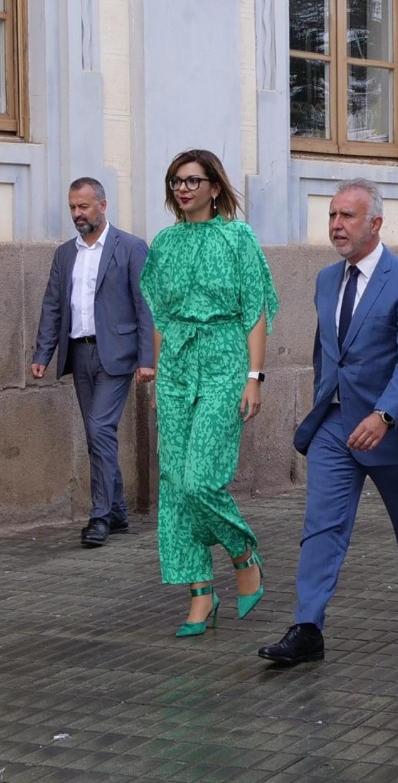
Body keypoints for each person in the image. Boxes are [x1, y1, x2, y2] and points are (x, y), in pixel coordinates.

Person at [258, 180, 398, 665]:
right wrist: (325, 403)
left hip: (390, 425)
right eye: (332, 216)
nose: (337, 226)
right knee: (322, 522)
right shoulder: (327, 278)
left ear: (376, 224)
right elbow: (329, 353)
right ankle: (307, 627)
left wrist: (384, 414)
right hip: (334, 424)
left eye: (347, 217)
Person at [140, 149, 280, 636]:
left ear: (214, 188)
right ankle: (200, 593)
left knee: (201, 478)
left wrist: (254, 376)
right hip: (177, 364)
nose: (184, 188)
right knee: (175, 483)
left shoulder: (237, 237)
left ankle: (244, 553)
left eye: (194, 181)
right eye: (177, 181)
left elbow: (255, 308)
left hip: (225, 359)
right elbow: (159, 314)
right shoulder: (164, 242)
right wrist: (160, 373)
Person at [31, 177, 155, 547]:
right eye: (72, 207)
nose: (77, 214)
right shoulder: (65, 254)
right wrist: (43, 353)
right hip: (78, 352)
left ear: (103, 205)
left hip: (117, 355)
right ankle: (116, 511)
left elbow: (145, 304)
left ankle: (99, 517)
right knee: (96, 435)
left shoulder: (131, 247)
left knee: (100, 429)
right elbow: (53, 305)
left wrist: (148, 358)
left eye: (83, 206)